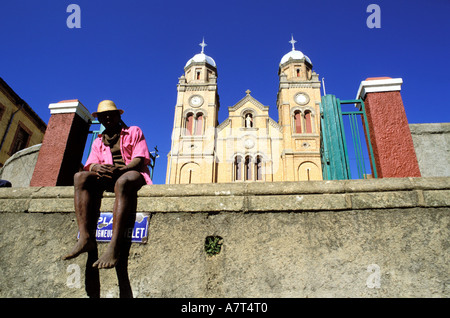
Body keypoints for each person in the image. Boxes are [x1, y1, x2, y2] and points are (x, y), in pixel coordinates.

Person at [62, 100, 152, 272]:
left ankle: (114, 245)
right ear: (100, 120)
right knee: (80, 177)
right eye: (104, 116)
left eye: (111, 114)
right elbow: (90, 164)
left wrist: (122, 169)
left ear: (118, 116)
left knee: (123, 182)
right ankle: (85, 238)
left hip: (132, 174)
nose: (108, 118)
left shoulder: (133, 131)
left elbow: (139, 159)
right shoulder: (98, 141)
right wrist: (97, 167)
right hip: (107, 176)